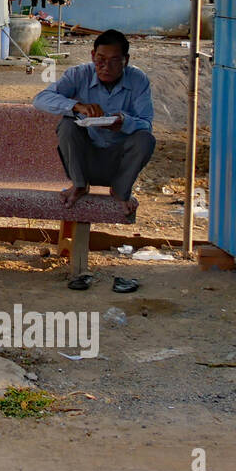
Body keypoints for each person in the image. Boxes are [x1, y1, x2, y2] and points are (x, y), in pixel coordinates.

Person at [34, 29, 156, 290]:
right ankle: (79, 184)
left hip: (117, 159)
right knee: (67, 125)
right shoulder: (78, 74)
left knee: (145, 138)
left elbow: (146, 123)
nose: (106, 66)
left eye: (114, 61)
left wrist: (123, 123)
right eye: (100, 59)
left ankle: (121, 191)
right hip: (86, 157)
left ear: (126, 60)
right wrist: (76, 106)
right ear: (92, 56)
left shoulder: (138, 80)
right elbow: (41, 99)